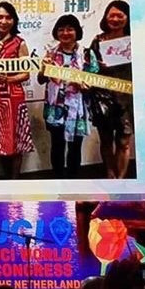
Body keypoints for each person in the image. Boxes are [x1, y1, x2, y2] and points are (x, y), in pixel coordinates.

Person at [37, 14, 93, 179]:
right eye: (61, 29)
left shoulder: (87, 54)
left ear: (77, 32)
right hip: (56, 108)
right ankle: (58, 180)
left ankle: (73, 182)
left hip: (78, 109)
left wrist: (86, 85)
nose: (65, 33)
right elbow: (41, 80)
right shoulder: (51, 54)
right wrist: (44, 69)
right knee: (57, 145)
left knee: (75, 147)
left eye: (70, 29)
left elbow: (94, 81)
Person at [0, 2, 34, 178]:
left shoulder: (19, 43)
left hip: (13, 98)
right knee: (0, 140)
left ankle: (15, 181)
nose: (3, 21)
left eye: (8, 18)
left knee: (15, 140)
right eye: (0, 17)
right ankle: (6, 181)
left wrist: (8, 79)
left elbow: (26, 74)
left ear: (14, 21)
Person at [87, 0, 133, 179]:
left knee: (123, 141)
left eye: (120, 15)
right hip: (102, 97)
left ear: (127, 18)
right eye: (111, 15)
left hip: (127, 97)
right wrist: (98, 67)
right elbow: (88, 68)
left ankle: (121, 181)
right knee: (106, 140)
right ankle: (110, 176)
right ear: (105, 17)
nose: (115, 19)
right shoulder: (98, 41)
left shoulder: (135, 41)